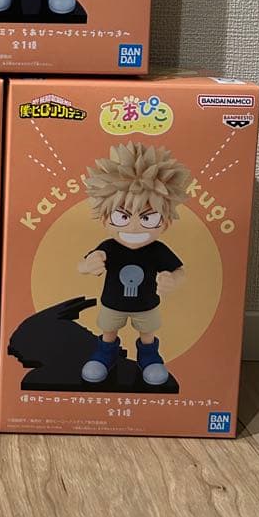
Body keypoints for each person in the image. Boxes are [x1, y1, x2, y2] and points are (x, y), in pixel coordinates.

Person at [78, 140, 191, 385]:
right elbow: (82, 265)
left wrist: (173, 280)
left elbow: (179, 270)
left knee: (147, 334)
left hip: (146, 306)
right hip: (112, 304)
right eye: (122, 217)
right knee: (108, 332)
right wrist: (89, 264)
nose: (134, 226)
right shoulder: (109, 247)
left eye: (148, 218)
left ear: (166, 221)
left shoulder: (157, 250)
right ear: (105, 218)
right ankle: (105, 355)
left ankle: (149, 357)